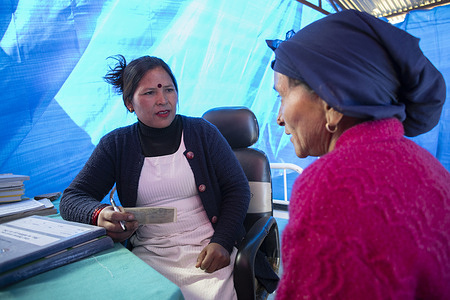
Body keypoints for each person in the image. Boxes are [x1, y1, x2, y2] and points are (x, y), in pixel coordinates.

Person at [267, 10, 450, 299]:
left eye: (282, 95)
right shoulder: (430, 167)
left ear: (332, 101)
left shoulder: (329, 186)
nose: (279, 118)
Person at [60, 55, 250, 300]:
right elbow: (72, 198)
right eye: (149, 93)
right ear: (129, 103)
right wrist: (100, 214)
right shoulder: (117, 145)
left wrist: (222, 241)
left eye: (169, 90)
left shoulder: (203, 133)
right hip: (150, 254)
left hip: (208, 250)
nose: (163, 100)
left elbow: (238, 189)